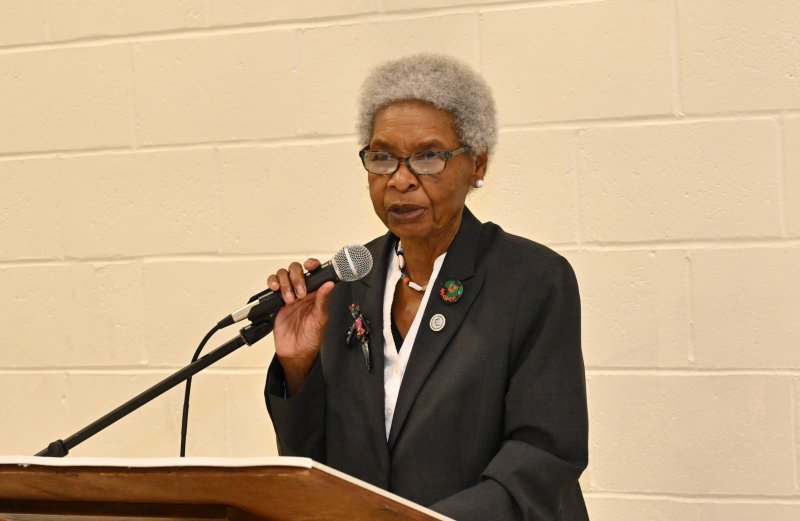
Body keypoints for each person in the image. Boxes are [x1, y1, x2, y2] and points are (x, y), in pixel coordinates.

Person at [264, 53, 589, 521]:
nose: (400, 179)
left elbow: (544, 455)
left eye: (428, 156)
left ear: (477, 164)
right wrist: (299, 367)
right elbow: (312, 465)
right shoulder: (346, 282)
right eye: (382, 157)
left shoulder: (531, 280)